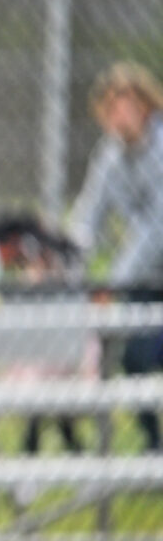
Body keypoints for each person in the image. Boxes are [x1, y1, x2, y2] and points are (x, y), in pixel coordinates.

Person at [68, 61, 163, 452]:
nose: (119, 115)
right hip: (144, 278)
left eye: (126, 105)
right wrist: (69, 257)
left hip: (144, 269)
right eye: (111, 108)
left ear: (145, 106)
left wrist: (112, 282)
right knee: (135, 357)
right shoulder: (108, 155)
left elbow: (156, 228)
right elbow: (88, 214)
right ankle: (154, 443)